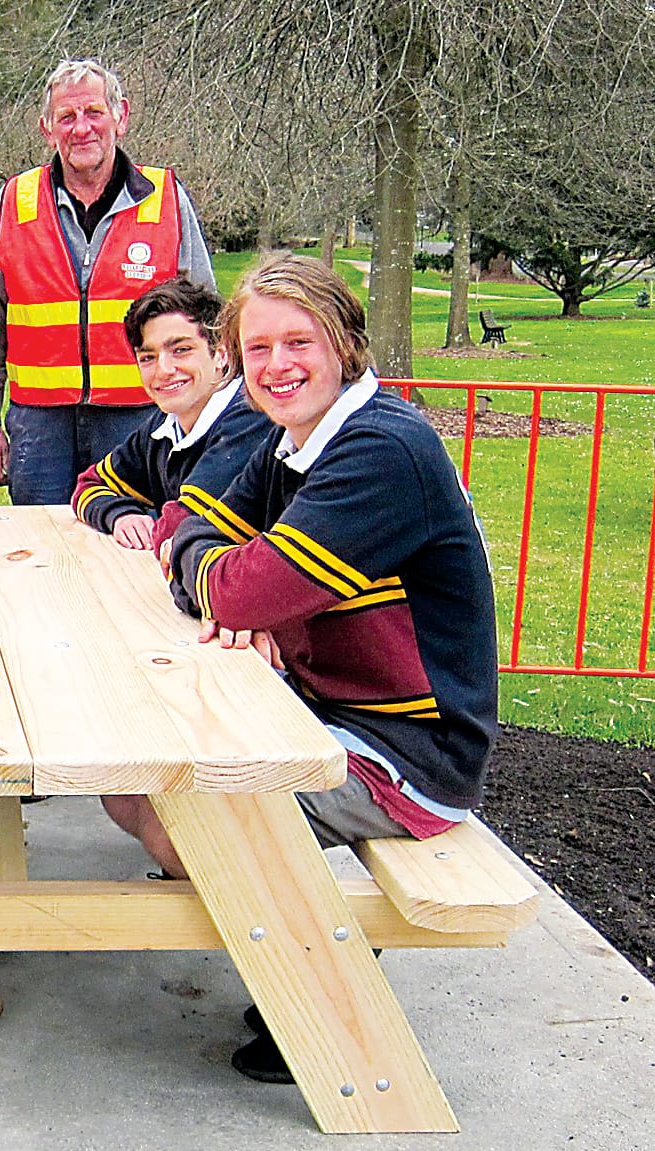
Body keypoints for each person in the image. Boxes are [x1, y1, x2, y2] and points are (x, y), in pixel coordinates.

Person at [109, 254, 499, 1083]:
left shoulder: (379, 451)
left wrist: (233, 587)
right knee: (125, 777)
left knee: (171, 812)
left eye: (299, 342)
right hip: (321, 709)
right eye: (257, 350)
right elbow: (189, 522)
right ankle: (298, 938)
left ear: (346, 343)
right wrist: (226, 577)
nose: (277, 366)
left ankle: (323, 981)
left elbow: (236, 585)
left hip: (410, 751)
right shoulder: (293, 444)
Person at [0, 59, 216, 505]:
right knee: (40, 556)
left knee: (135, 554)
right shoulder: (13, 203)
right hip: (39, 431)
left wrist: (208, 417)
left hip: (142, 421)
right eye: (67, 117)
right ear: (47, 129)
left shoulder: (167, 200)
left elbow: (209, 322)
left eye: (93, 113)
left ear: (121, 116)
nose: (81, 128)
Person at [70, 279, 271, 552]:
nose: (163, 370)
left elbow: (183, 523)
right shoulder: (164, 426)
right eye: (148, 357)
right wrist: (119, 514)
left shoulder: (252, 417)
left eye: (181, 350)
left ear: (222, 354)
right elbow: (88, 485)